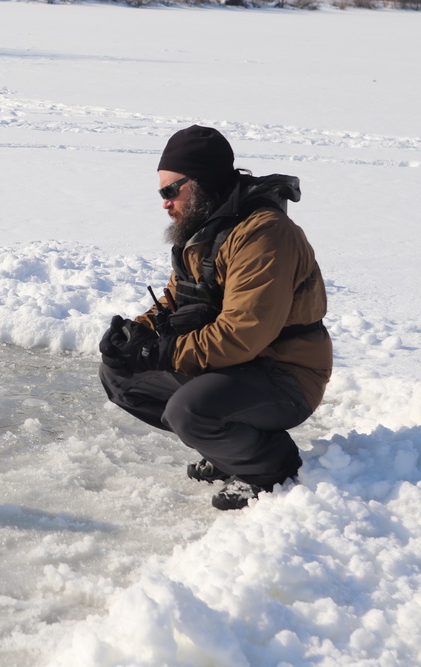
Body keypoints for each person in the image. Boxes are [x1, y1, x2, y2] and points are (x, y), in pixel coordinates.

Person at [98, 125, 332, 510]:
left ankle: (271, 467)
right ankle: (231, 452)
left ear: (201, 182)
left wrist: (161, 353)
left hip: (286, 374)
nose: (164, 203)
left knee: (189, 411)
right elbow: (178, 298)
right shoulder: (205, 230)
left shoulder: (264, 235)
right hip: (239, 368)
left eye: (170, 190)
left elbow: (243, 333)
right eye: (162, 192)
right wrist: (137, 335)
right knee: (119, 375)